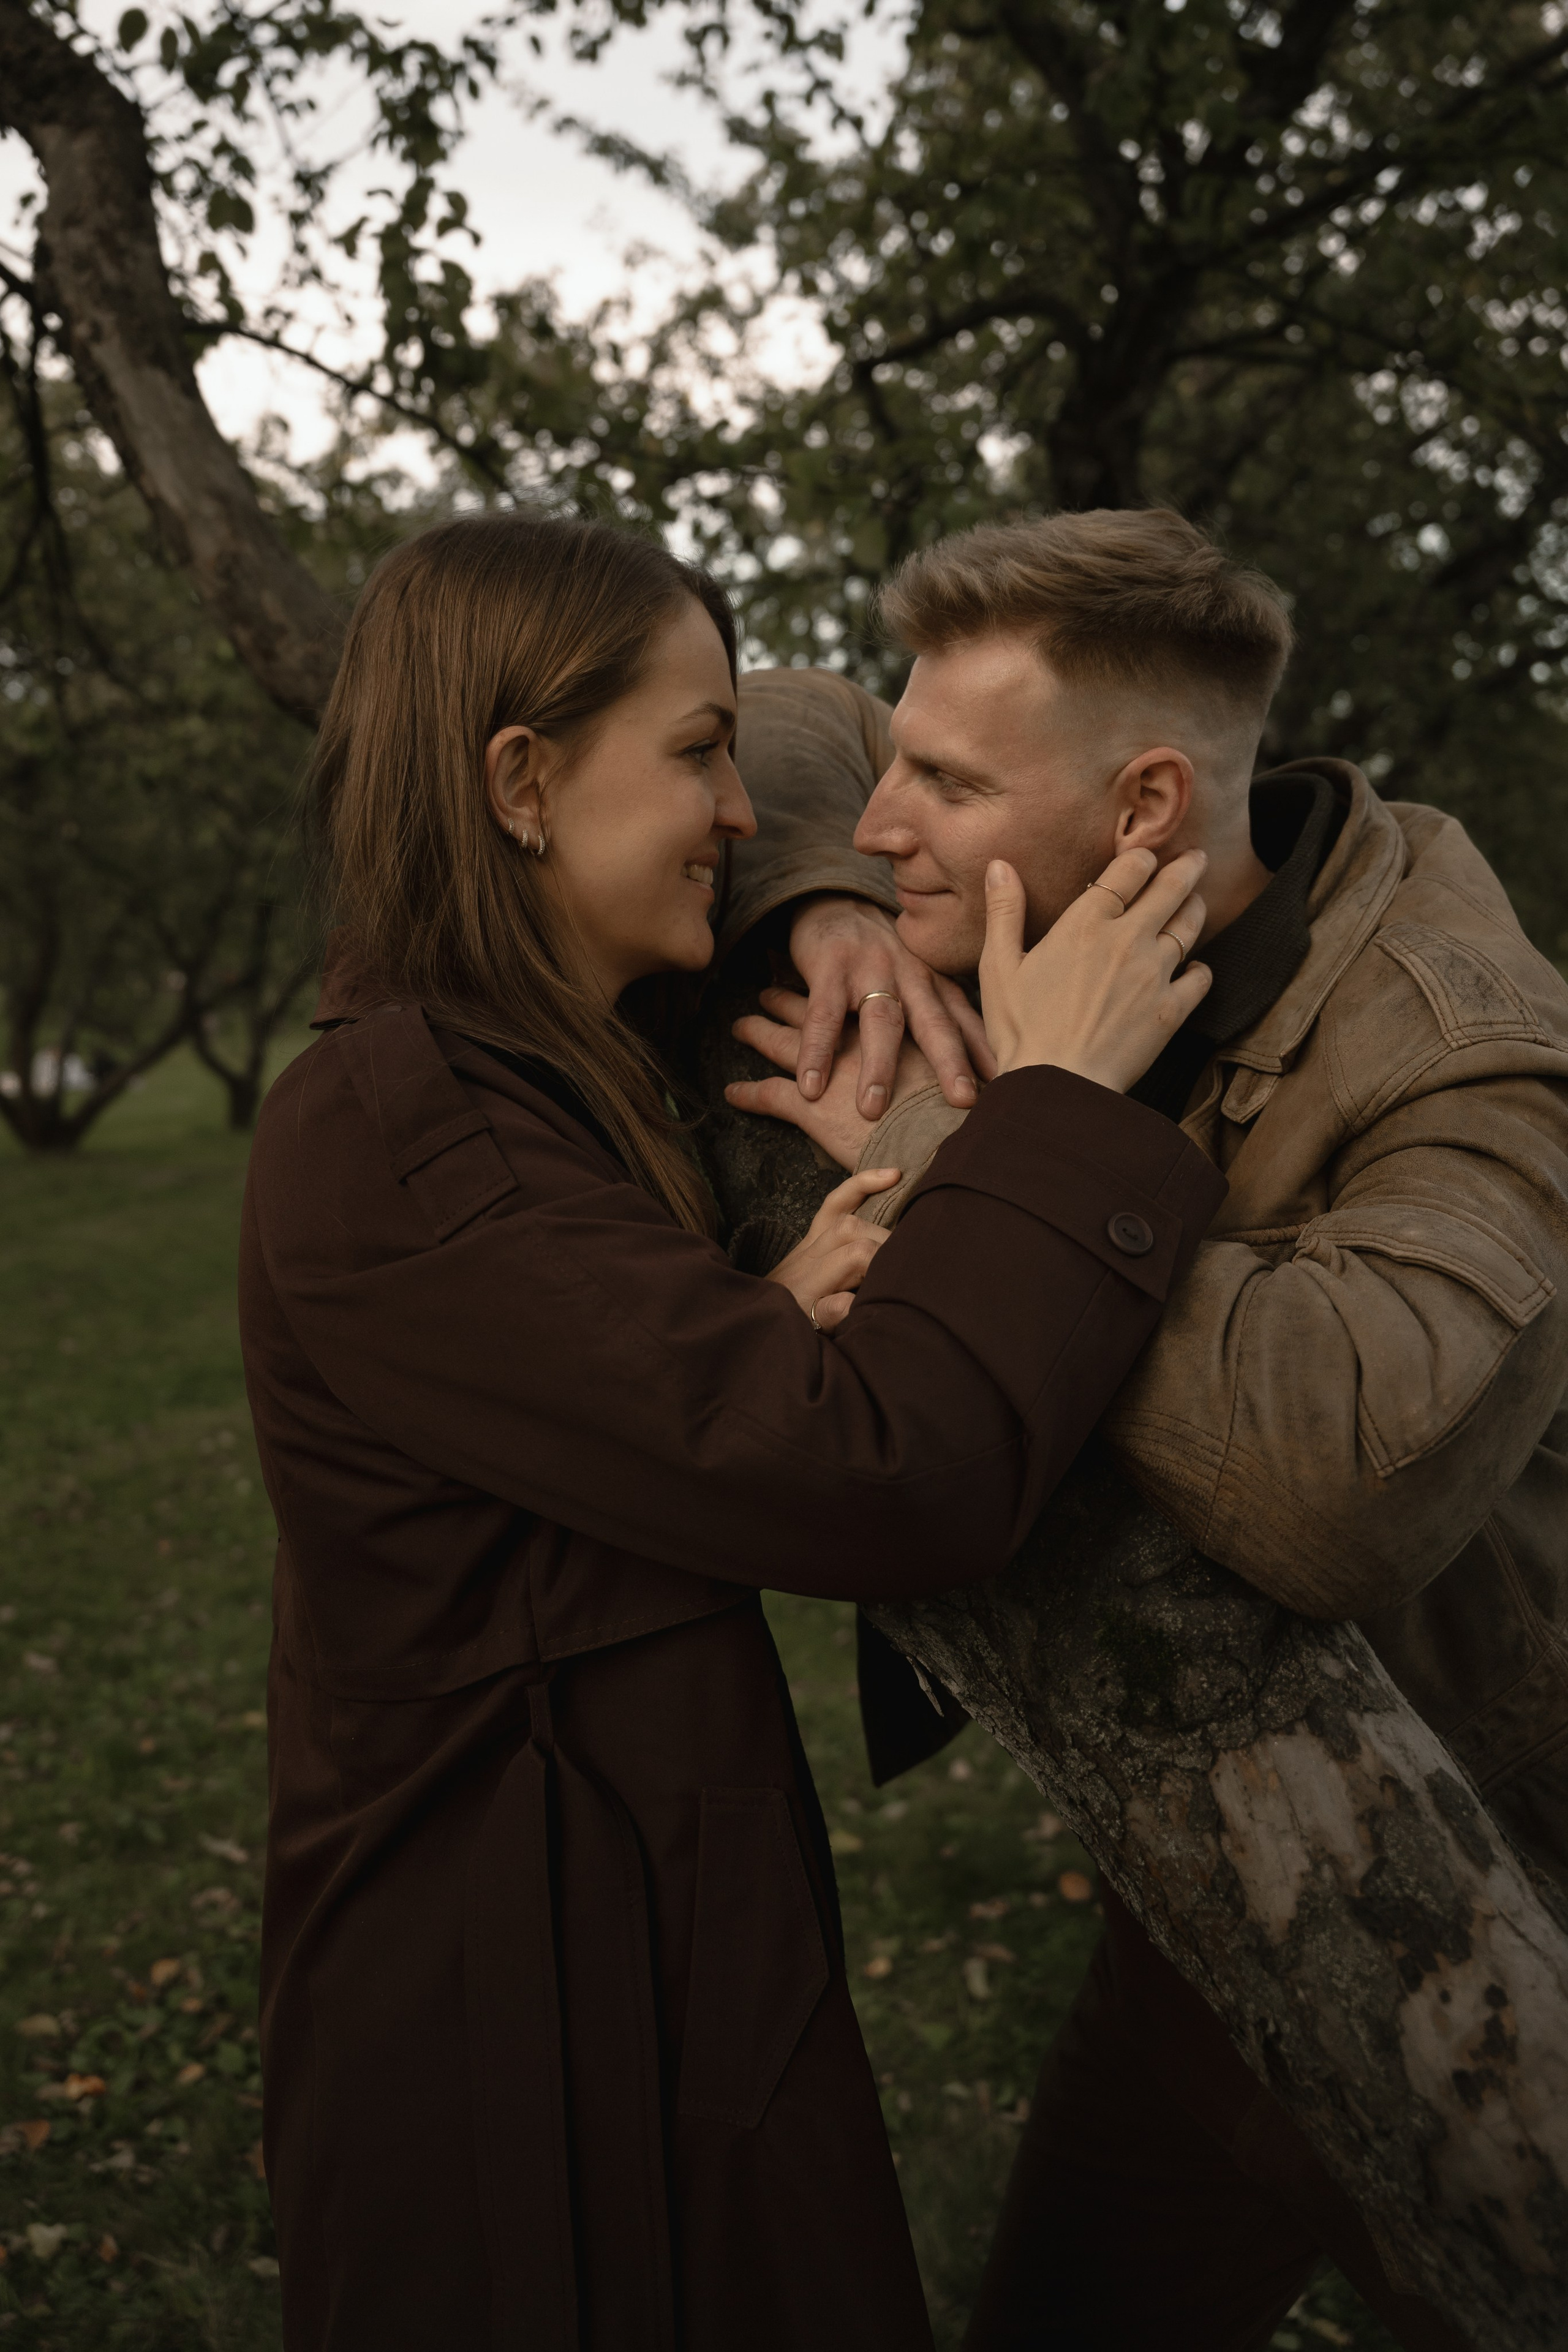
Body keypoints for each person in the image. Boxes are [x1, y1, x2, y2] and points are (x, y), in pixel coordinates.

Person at [238, 510, 1227, 2351]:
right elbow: (885, 1470)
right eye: (688, 760)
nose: (733, 812)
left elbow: (786, 722)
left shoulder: (536, 1067)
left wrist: (826, 914)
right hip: (515, 2041)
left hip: (646, 1955)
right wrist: (1066, 1103)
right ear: (522, 782)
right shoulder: (400, 1130)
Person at [723, 507, 1568, 2352]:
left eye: (938, 785)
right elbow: (762, 725)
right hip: (1203, 1888)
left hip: (1482, 1908)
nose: (884, 819)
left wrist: (1000, 1144)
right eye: (897, 763)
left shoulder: (1469, 1043)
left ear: (1145, 810)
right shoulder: (981, 876)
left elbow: (1353, 1481)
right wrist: (822, 904)